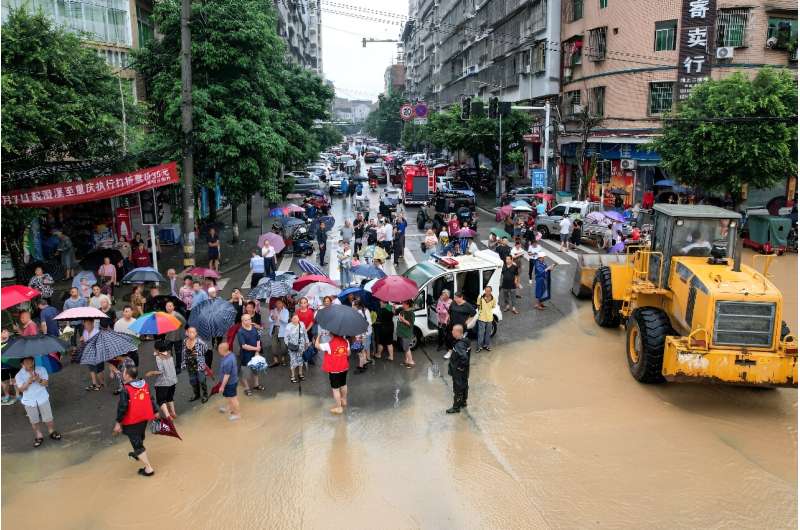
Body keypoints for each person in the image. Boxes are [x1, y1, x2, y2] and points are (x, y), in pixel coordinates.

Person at [113, 366, 158, 476]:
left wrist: (118, 422)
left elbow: (122, 407)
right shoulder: (144, 384)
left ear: (127, 375)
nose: (123, 374)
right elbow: (150, 398)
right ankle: (138, 453)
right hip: (144, 417)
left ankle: (148, 468)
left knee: (137, 443)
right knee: (139, 436)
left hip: (132, 420)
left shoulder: (126, 390)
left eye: (124, 373)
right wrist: (155, 411)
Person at [15, 356, 62, 447]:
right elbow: (21, 389)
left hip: (42, 397)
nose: (30, 364)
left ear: (33, 361)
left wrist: (38, 379)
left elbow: (46, 383)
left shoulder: (41, 369)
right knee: (34, 420)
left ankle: (51, 431)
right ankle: (39, 435)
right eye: (27, 362)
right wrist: (28, 381)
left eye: (31, 361)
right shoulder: (19, 375)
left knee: (48, 418)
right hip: (29, 401)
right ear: (22, 364)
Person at [316, 332, 350, 415]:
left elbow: (317, 346)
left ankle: (339, 408)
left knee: (335, 389)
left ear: (332, 334)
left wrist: (318, 336)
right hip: (344, 367)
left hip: (334, 370)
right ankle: (344, 400)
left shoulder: (329, 344)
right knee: (343, 384)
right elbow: (348, 353)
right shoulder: (346, 341)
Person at [146, 341, 178, 420]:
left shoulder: (158, 357)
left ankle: (168, 416)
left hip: (164, 382)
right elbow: (157, 353)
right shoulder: (169, 353)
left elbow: (161, 371)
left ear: (157, 349)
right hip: (173, 380)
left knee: (161, 400)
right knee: (169, 397)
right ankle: (173, 412)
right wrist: (157, 352)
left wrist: (152, 372)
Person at [446, 324, 471, 414]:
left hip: (458, 371)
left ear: (457, 332)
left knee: (458, 388)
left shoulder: (459, 345)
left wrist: (460, 367)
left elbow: (464, 357)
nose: (452, 332)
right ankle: (463, 402)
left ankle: (456, 407)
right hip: (465, 371)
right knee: (464, 385)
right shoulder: (466, 341)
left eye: (453, 330)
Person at [236, 314, 262, 396]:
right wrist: (256, 349)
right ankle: (247, 388)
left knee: (255, 371)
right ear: (242, 321)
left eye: (249, 319)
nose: (248, 321)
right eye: (246, 320)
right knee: (246, 373)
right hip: (245, 355)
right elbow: (244, 346)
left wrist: (258, 349)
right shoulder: (240, 332)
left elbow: (258, 339)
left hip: (255, 354)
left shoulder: (253, 328)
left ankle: (256, 385)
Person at [446, 292, 476, 360]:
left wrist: (468, 320)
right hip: (452, 324)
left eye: (456, 298)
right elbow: (449, 311)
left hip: (461, 326)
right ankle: (450, 351)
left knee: (459, 340)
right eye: (454, 297)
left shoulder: (467, 305)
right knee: (450, 338)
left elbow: (473, 313)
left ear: (461, 297)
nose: (455, 299)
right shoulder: (453, 303)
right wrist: (448, 318)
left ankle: (460, 352)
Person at [182, 326, 208, 402]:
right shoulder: (185, 341)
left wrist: (200, 358)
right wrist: (183, 362)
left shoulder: (200, 342)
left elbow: (205, 349)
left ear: (196, 333)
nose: (191, 334)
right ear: (187, 333)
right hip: (189, 365)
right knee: (193, 380)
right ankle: (197, 394)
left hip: (199, 365)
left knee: (202, 380)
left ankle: (205, 395)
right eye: (189, 332)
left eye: (193, 332)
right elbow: (183, 352)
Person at [216, 343, 241, 421]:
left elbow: (227, 375)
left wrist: (222, 386)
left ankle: (237, 414)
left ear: (222, 350)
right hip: (232, 381)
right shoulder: (230, 354)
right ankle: (229, 408)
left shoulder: (228, 361)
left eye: (219, 350)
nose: (218, 351)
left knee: (233, 398)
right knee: (229, 397)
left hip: (230, 383)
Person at [80, 318, 105, 391]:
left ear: (93, 324)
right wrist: (82, 341)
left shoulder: (97, 332)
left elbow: (100, 345)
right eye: (85, 324)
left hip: (98, 354)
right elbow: (84, 343)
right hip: (89, 354)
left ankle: (101, 383)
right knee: (91, 369)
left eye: (88, 324)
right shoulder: (85, 332)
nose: (86, 326)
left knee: (99, 370)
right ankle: (95, 384)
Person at [284, 313, 309, 383]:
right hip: (292, 346)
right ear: (291, 319)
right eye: (294, 318)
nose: (296, 320)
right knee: (293, 361)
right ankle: (293, 376)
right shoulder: (288, 326)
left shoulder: (302, 324)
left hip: (301, 346)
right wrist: (288, 345)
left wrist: (307, 342)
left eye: (297, 318)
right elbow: (286, 337)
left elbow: (305, 333)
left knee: (300, 360)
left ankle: (300, 374)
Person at [163, 301, 186, 373]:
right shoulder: (164, 315)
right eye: (167, 306)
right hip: (168, 337)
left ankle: (178, 366)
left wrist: (178, 327)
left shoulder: (177, 315)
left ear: (173, 307)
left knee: (178, 352)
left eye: (170, 306)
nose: (169, 307)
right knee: (168, 352)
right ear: (165, 307)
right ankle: (170, 365)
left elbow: (184, 322)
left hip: (177, 337)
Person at [268, 299, 290, 367]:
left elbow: (286, 321)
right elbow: (269, 320)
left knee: (284, 346)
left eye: (280, 303)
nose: (278, 305)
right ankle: (275, 360)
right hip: (274, 329)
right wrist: (272, 317)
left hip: (283, 330)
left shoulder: (286, 311)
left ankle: (283, 359)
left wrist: (279, 318)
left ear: (282, 304)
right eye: (277, 303)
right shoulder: (273, 310)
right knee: (274, 345)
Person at [352, 300, 373, 373]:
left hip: (363, 334)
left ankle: (361, 366)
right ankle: (363, 364)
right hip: (358, 334)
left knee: (360, 350)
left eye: (353, 305)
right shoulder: (355, 312)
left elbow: (369, 322)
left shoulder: (365, 311)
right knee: (360, 350)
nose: (352, 306)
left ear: (357, 305)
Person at [395, 300, 416, 368]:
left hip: (407, 333)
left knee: (406, 348)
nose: (402, 304)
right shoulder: (402, 311)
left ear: (407, 304)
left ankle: (411, 362)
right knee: (405, 348)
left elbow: (410, 324)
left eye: (404, 303)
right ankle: (406, 361)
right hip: (402, 333)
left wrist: (403, 320)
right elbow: (397, 314)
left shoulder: (411, 313)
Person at [476, 286, 496, 352]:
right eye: (486, 291)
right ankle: (479, 347)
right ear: (485, 290)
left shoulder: (494, 299)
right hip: (481, 317)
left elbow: (493, 306)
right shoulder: (480, 298)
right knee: (481, 333)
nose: (487, 292)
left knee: (488, 333)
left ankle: (486, 345)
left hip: (489, 318)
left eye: (489, 291)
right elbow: (478, 305)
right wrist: (481, 312)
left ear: (491, 291)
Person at [2, 330, 19, 405]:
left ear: (9, 333)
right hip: (2, 367)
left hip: (13, 365)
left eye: (6, 332)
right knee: (5, 382)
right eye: (3, 332)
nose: (5, 333)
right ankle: (7, 395)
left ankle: (18, 395)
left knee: (15, 381)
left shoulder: (13, 341)